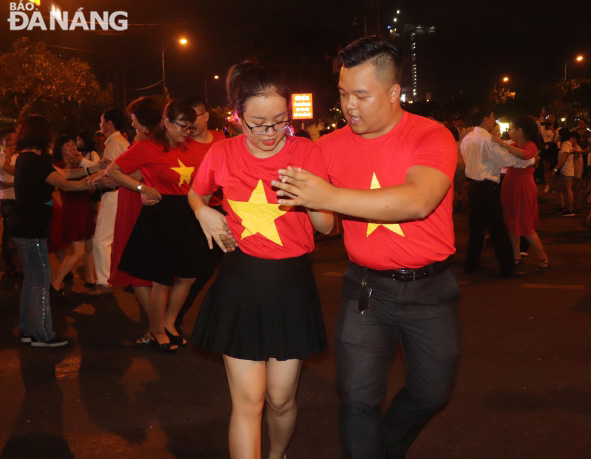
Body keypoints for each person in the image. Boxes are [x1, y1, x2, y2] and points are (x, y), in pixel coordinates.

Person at [273, 36, 459, 459]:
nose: (349, 106)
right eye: (342, 94)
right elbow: (322, 224)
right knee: (357, 400)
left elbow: (418, 200)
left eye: (361, 94)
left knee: (433, 391)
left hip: (432, 290)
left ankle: (386, 445)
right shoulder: (329, 147)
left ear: (394, 93)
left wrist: (326, 196)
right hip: (366, 291)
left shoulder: (430, 136)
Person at [189, 61, 332, 459]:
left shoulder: (306, 150)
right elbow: (196, 194)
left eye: (280, 122)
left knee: (280, 399)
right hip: (241, 282)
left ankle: (277, 454)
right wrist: (203, 211)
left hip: (292, 285)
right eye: (258, 123)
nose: (270, 134)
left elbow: (325, 227)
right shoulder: (222, 152)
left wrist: (310, 196)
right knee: (247, 401)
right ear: (236, 117)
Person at [106, 99, 210, 352]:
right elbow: (113, 170)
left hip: (189, 214)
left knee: (188, 276)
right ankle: (157, 331)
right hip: (162, 215)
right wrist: (142, 187)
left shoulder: (192, 147)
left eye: (190, 127)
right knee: (162, 280)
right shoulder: (148, 146)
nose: (188, 132)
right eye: (183, 127)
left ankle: (169, 323)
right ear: (166, 122)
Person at [10, 115, 101, 347]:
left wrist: (94, 171)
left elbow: (65, 176)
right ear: (42, 134)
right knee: (41, 279)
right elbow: (66, 184)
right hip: (32, 228)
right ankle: (42, 334)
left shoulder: (24, 158)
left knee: (32, 280)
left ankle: (28, 329)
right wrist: (96, 183)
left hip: (24, 226)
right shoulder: (36, 161)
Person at [106, 96, 161, 343]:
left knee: (137, 270)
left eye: (133, 116)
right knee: (148, 270)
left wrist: (131, 184)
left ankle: (155, 328)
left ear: (140, 118)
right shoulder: (155, 141)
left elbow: (124, 171)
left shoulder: (143, 144)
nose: (131, 120)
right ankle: (159, 325)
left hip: (136, 205)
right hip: (143, 204)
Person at [460, 106, 535, 277]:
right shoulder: (488, 140)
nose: (493, 121)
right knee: (498, 229)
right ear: (486, 119)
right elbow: (507, 160)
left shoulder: (468, 138)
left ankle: (471, 264)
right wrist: (529, 160)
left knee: (476, 229)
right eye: (492, 118)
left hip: (474, 186)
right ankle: (508, 268)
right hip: (487, 187)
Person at [173, 96, 227, 333]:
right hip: (190, 212)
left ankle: (177, 313)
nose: (190, 123)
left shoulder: (221, 140)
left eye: (194, 117)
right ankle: (172, 318)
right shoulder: (180, 143)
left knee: (208, 269)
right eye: (185, 119)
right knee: (190, 271)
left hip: (220, 210)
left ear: (206, 116)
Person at [494, 117, 549, 273]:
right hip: (511, 186)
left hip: (522, 188)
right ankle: (516, 256)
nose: (509, 131)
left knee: (526, 226)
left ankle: (542, 257)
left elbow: (525, 155)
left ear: (521, 131)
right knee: (511, 223)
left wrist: (502, 143)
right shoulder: (515, 144)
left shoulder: (530, 145)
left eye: (512, 128)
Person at [49, 135, 97, 294]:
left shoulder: (80, 165)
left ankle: (91, 280)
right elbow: (65, 181)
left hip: (86, 209)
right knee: (78, 252)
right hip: (73, 211)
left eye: (73, 145)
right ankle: (55, 283)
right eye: (68, 145)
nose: (72, 147)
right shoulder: (57, 167)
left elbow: (91, 187)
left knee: (90, 248)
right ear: (59, 149)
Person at [93, 108, 130, 292]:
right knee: (111, 239)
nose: (99, 125)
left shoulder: (115, 143)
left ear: (108, 123)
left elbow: (115, 173)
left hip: (114, 194)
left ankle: (103, 281)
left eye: (101, 121)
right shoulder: (118, 141)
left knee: (101, 240)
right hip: (119, 194)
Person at [1, 129, 19, 277]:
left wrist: (11, 184)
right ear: (4, 142)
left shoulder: (20, 157)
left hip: (21, 198)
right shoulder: (1, 158)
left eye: (15, 140)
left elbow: (22, 175)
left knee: (20, 231)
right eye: (10, 140)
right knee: (9, 232)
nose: (13, 143)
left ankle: (17, 262)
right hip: (7, 199)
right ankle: (9, 262)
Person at [553, 129, 579, 216]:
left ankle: (570, 209)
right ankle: (563, 207)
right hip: (563, 170)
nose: (558, 136)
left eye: (558, 134)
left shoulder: (566, 145)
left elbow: (563, 158)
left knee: (568, 190)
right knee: (558, 188)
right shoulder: (564, 144)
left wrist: (555, 169)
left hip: (567, 170)